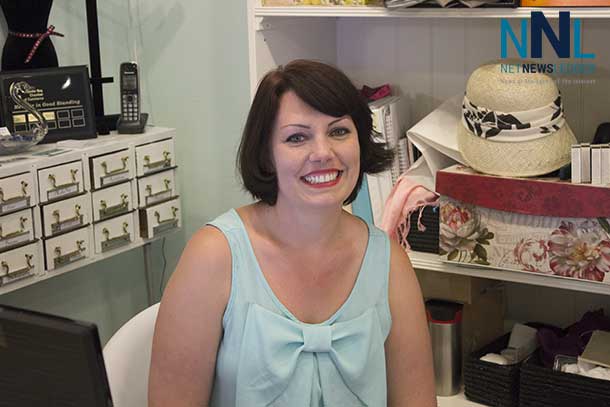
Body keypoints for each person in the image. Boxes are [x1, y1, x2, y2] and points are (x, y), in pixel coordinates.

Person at [148, 59, 436, 407]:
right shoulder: (214, 256)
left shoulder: (389, 263)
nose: (323, 153)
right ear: (267, 155)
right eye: (297, 137)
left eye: (339, 131)